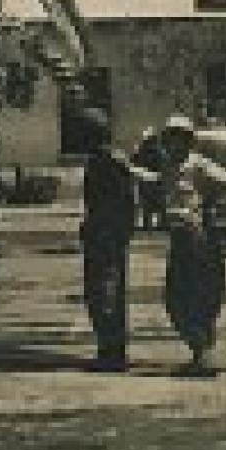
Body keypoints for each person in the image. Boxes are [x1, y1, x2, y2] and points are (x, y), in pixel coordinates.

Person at [156, 114, 226, 376]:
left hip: (197, 238)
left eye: (179, 138)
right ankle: (198, 352)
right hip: (179, 238)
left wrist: (215, 209)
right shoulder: (169, 167)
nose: (173, 144)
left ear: (188, 141)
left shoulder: (199, 166)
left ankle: (202, 355)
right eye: (170, 138)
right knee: (175, 297)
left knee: (198, 294)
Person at [76, 108, 144, 372]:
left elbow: (127, 202)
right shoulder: (98, 160)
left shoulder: (112, 161)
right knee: (98, 293)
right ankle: (107, 348)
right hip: (98, 233)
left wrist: (119, 233)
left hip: (109, 236)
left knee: (108, 294)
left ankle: (113, 352)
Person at [131, 126, 169, 231]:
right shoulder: (158, 151)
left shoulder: (143, 150)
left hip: (150, 181)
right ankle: (159, 224)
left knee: (151, 204)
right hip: (153, 181)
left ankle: (152, 224)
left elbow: (134, 162)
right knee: (155, 204)